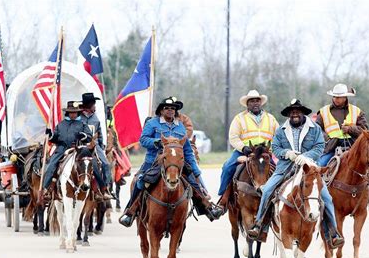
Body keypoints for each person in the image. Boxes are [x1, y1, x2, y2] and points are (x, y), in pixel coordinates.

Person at [247, 99, 344, 249]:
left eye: (297, 111)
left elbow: (320, 147)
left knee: (327, 198)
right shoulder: (281, 130)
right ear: (289, 115)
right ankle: (259, 226)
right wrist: (288, 153)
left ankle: (333, 233)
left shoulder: (315, 129)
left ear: (303, 113)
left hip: (310, 168)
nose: (295, 114)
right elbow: (275, 148)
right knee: (266, 190)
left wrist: (306, 157)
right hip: (285, 167)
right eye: (292, 112)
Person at [119, 96, 223, 227]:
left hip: (176, 161)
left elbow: (187, 151)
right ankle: (130, 212)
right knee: (140, 182)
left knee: (192, 182)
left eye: (173, 108)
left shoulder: (180, 127)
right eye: (167, 108)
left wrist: (195, 171)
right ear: (161, 111)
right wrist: (155, 142)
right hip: (154, 161)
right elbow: (143, 140)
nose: (170, 110)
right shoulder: (152, 123)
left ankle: (207, 208)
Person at [316, 83, 369, 212]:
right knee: (319, 168)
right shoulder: (323, 112)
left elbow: (365, 130)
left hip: (354, 148)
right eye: (335, 96)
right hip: (331, 149)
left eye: (339, 97)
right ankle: (316, 200)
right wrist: (327, 138)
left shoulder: (357, 111)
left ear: (346, 97)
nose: (336, 99)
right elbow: (317, 130)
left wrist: (351, 129)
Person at [218, 90, 279, 202]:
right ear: (247, 104)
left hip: (264, 153)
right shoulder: (239, 118)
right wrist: (243, 148)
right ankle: (223, 199)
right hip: (244, 151)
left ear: (261, 103)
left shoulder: (271, 118)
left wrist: (271, 149)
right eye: (252, 101)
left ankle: (278, 199)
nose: (255, 103)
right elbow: (233, 137)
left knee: (278, 171)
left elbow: (278, 136)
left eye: (257, 101)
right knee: (227, 167)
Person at [40, 101, 93, 199]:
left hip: (78, 150)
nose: (73, 114)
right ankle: (46, 189)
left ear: (77, 113)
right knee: (51, 166)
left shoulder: (82, 124)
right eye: (71, 112)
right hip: (62, 149)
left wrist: (83, 136)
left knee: (92, 165)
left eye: (75, 113)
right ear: (67, 113)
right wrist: (50, 135)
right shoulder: (60, 125)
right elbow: (54, 138)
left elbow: (89, 137)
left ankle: (97, 190)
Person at [79, 93, 112, 200]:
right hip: (82, 144)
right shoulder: (79, 117)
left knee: (106, 164)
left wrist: (101, 145)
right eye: (94, 104)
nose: (95, 106)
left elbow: (100, 133)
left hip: (95, 144)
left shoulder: (96, 118)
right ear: (89, 105)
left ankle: (105, 188)